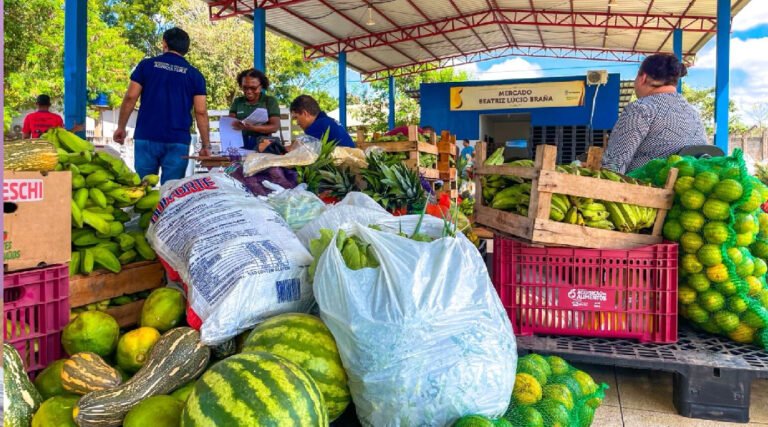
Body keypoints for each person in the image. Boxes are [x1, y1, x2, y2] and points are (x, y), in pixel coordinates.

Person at [113, 27, 210, 184]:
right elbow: (200, 112)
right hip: (178, 140)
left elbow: (131, 97)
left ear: (164, 43)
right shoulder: (195, 75)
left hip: (146, 136)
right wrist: (206, 145)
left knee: (142, 188)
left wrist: (121, 127)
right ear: (186, 48)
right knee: (170, 191)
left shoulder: (146, 66)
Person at [602, 53, 707, 174]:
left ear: (643, 78)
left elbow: (613, 166)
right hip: (689, 190)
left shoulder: (641, 109)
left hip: (647, 189)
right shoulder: (693, 113)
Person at [289, 95, 355, 148]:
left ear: (305, 113)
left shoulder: (317, 126)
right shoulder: (327, 121)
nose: (297, 122)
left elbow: (301, 152)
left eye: (296, 118)